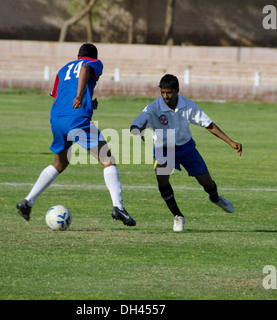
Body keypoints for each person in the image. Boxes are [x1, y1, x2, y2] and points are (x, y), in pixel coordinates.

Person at [16, 43, 136, 226]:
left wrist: (86, 101)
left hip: (56, 119)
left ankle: (27, 202)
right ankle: (118, 207)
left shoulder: (63, 69)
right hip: (76, 118)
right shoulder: (92, 63)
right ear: (93, 56)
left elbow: (58, 95)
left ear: (77, 54)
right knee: (107, 160)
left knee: (60, 163)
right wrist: (80, 97)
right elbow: (86, 69)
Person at [130, 74, 242, 232]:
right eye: (162, 92)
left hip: (186, 147)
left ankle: (215, 197)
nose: (165, 96)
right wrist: (139, 130)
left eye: (169, 92)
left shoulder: (188, 105)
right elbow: (137, 123)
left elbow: (208, 124)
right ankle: (177, 216)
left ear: (177, 90)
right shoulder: (154, 107)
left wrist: (230, 141)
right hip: (164, 147)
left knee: (207, 183)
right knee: (161, 178)